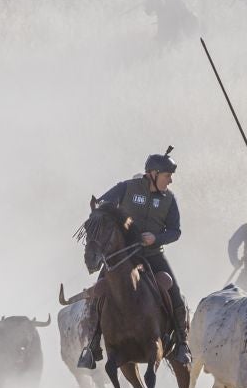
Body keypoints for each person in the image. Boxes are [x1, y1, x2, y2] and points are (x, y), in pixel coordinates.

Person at [80, 150, 188, 367]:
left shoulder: (169, 199)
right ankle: (92, 347)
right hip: (122, 257)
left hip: (153, 254)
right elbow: (102, 206)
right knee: (98, 295)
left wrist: (155, 238)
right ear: (153, 173)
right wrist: (100, 211)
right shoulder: (126, 187)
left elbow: (175, 231)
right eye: (167, 175)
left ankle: (182, 345)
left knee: (175, 293)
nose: (171, 180)